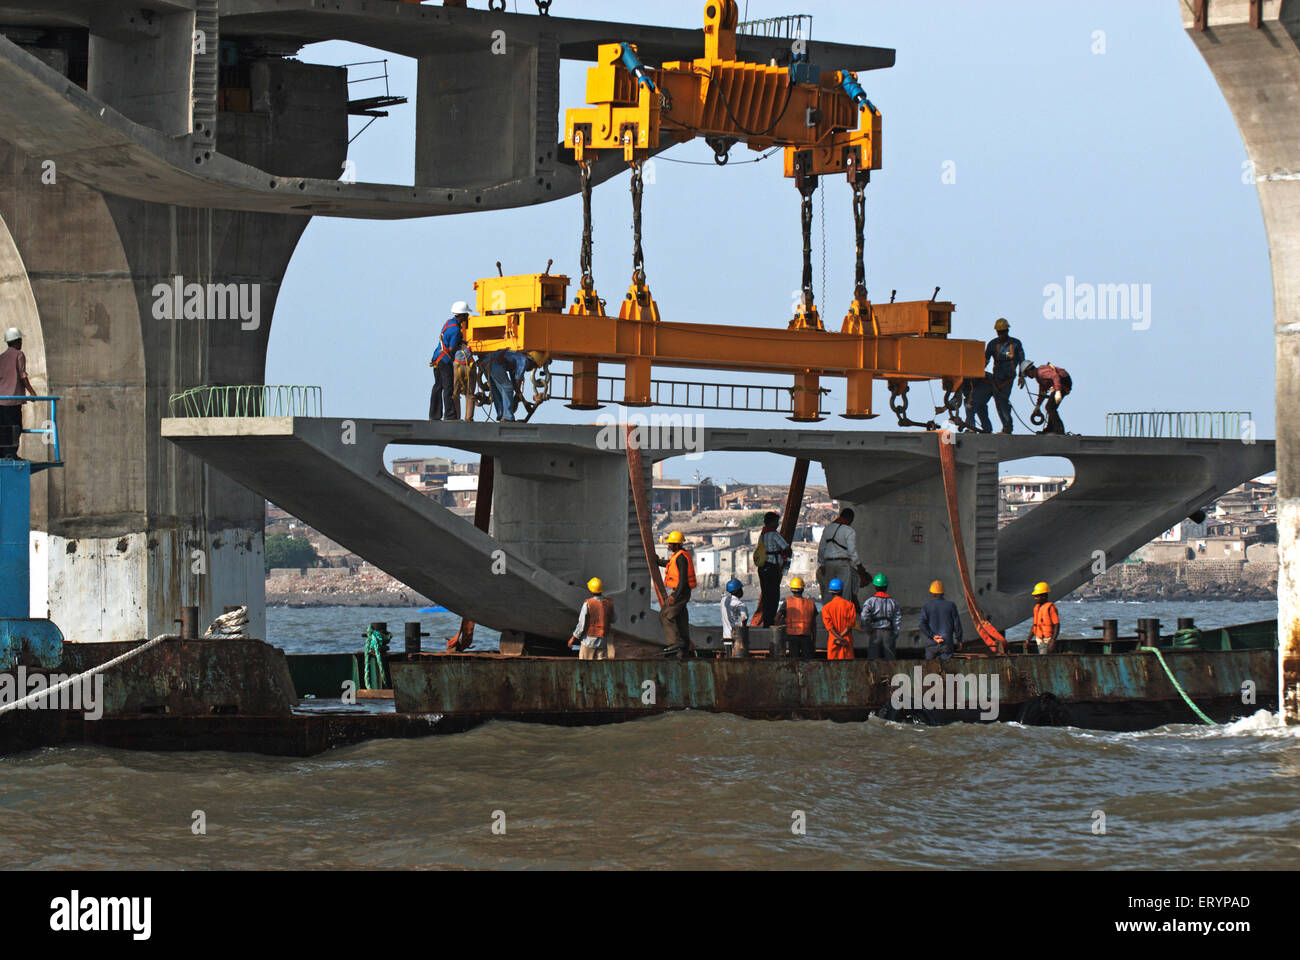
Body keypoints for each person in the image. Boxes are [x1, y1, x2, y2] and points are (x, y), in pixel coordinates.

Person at [817, 507, 869, 604]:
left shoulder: (828, 529)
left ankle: (828, 615)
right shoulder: (849, 531)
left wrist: (822, 564)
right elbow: (852, 551)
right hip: (842, 563)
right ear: (850, 518)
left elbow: (821, 549)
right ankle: (843, 615)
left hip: (828, 564)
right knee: (845, 592)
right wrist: (859, 566)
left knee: (829, 591)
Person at [658, 530, 695, 659]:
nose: (669, 546)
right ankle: (684, 649)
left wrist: (674, 596)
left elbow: (683, 579)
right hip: (681, 591)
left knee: (665, 615)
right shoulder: (679, 555)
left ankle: (676, 642)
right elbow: (669, 565)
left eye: (671, 544)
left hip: (680, 592)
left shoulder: (680, 557)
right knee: (681, 619)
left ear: (677, 544)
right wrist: (658, 562)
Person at [985, 318, 1025, 434]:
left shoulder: (1016, 343)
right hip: (996, 378)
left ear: (1007, 331)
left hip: (1008, 378)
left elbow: (1022, 360)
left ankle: (1007, 427)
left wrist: (1021, 376)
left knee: (1003, 401)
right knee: (998, 402)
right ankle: (1006, 425)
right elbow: (985, 360)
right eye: (999, 332)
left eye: (1003, 332)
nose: (1001, 334)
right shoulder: (992, 344)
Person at [429, 302, 469, 421]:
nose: (467, 317)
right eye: (466, 314)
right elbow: (451, 348)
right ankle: (450, 416)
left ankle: (434, 415)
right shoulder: (456, 330)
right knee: (448, 387)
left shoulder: (448, 323)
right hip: (445, 360)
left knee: (438, 386)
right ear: (462, 315)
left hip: (437, 357)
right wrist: (461, 345)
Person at [0, 327, 35, 460]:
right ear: (17, 341)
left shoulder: (1, 357)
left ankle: (3, 454)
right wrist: (32, 392)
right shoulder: (19, 355)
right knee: (15, 427)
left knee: (3, 428)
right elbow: (23, 375)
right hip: (13, 400)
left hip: (1, 400)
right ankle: (11, 454)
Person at [754, 511, 792, 625]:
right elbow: (786, 548)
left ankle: (766, 621)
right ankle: (770, 621)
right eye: (776, 522)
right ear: (771, 522)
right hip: (772, 568)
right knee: (774, 595)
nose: (778, 524)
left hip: (762, 568)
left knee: (766, 595)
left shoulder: (762, 535)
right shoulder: (774, 534)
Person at [569, 577, 616, 660]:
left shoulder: (588, 603)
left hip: (588, 641)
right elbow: (614, 619)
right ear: (601, 589)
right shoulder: (609, 603)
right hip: (603, 641)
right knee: (601, 668)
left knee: (585, 666)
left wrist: (573, 638)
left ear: (591, 590)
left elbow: (581, 624)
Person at [1021, 360, 1072, 435]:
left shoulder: (1040, 372)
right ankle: (1050, 429)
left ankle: (1059, 430)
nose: (1028, 376)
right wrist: (1038, 406)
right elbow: (1042, 391)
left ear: (1029, 371)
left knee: (1050, 407)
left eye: (1027, 374)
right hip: (1060, 384)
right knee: (1050, 407)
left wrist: (1058, 391)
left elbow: (1055, 376)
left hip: (1063, 382)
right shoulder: (1039, 377)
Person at [774, 575, 818, 659]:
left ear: (791, 589)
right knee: (808, 662)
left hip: (792, 637)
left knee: (794, 662)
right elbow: (814, 625)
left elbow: (777, 618)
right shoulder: (811, 603)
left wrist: (781, 634)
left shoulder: (787, 602)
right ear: (803, 589)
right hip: (806, 637)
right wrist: (814, 642)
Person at [918, 579, 963, 661]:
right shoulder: (951, 605)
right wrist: (959, 640)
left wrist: (932, 636)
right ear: (943, 592)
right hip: (946, 643)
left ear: (932, 593)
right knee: (947, 670)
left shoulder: (926, 607)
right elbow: (957, 624)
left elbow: (921, 624)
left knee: (930, 670)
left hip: (932, 643)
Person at [860, 572, 901, 659]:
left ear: (875, 587)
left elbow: (864, 617)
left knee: (873, 660)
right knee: (890, 661)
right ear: (886, 587)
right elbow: (897, 620)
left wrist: (868, 629)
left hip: (875, 633)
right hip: (888, 632)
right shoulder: (893, 602)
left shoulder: (870, 601)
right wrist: (894, 634)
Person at [821, 578, 858, 660]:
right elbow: (850, 625)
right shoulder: (850, 605)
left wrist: (837, 638)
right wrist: (841, 638)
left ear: (830, 592)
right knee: (848, 667)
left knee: (832, 667)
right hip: (846, 641)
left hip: (834, 641)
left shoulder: (826, 608)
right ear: (842, 590)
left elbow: (829, 627)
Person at [489, 349, 528, 422]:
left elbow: (515, 383)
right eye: (534, 366)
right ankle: (508, 417)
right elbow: (517, 383)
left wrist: (519, 396)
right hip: (494, 363)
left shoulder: (515, 357)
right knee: (508, 388)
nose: (530, 369)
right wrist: (523, 400)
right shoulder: (523, 360)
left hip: (487, 362)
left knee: (498, 391)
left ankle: (501, 414)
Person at [720, 578, 750, 658]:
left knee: (729, 659)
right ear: (738, 591)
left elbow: (724, 596)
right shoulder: (740, 604)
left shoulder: (723, 601)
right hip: (737, 640)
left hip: (726, 638)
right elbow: (744, 619)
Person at [1028, 581, 1060, 654]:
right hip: (1039, 640)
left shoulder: (1050, 608)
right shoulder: (1037, 608)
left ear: (1044, 596)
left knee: (1043, 659)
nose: (1035, 598)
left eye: (1037, 596)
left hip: (1047, 640)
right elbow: (1034, 626)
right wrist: (1028, 640)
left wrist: (1052, 641)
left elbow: (1057, 625)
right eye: (1035, 596)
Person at [452, 342, 474, 416]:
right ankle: (469, 417)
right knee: (470, 394)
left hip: (457, 367)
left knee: (455, 393)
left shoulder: (455, 345)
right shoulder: (469, 345)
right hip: (470, 367)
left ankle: (456, 416)